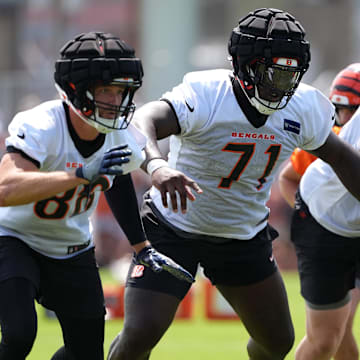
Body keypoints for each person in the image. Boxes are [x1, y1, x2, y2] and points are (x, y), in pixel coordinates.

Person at [108, 8, 360, 360]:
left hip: (241, 236)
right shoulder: (208, 93)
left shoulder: (302, 106)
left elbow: (344, 159)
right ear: (246, 66)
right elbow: (144, 119)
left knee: (277, 342)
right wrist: (157, 165)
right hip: (174, 227)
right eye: (274, 73)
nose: (282, 86)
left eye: (291, 75)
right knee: (140, 331)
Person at [0, 31, 193, 360]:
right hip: (16, 239)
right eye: (106, 90)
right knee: (19, 334)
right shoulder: (43, 124)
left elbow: (115, 181)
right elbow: (5, 190)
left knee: (87, 353)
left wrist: (141, 247)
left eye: (121, 92)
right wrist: (77, 176)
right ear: (75, 89)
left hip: (71, 247)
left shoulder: (121, 135)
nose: (115, 101)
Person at [279, 62, 360, 360]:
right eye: (341, 109)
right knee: (328, 337)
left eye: (350, 109)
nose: (344, 119)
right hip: (327, 228)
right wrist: (304, 213)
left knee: (341, 327)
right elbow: (287, 179)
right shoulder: (333, 139)